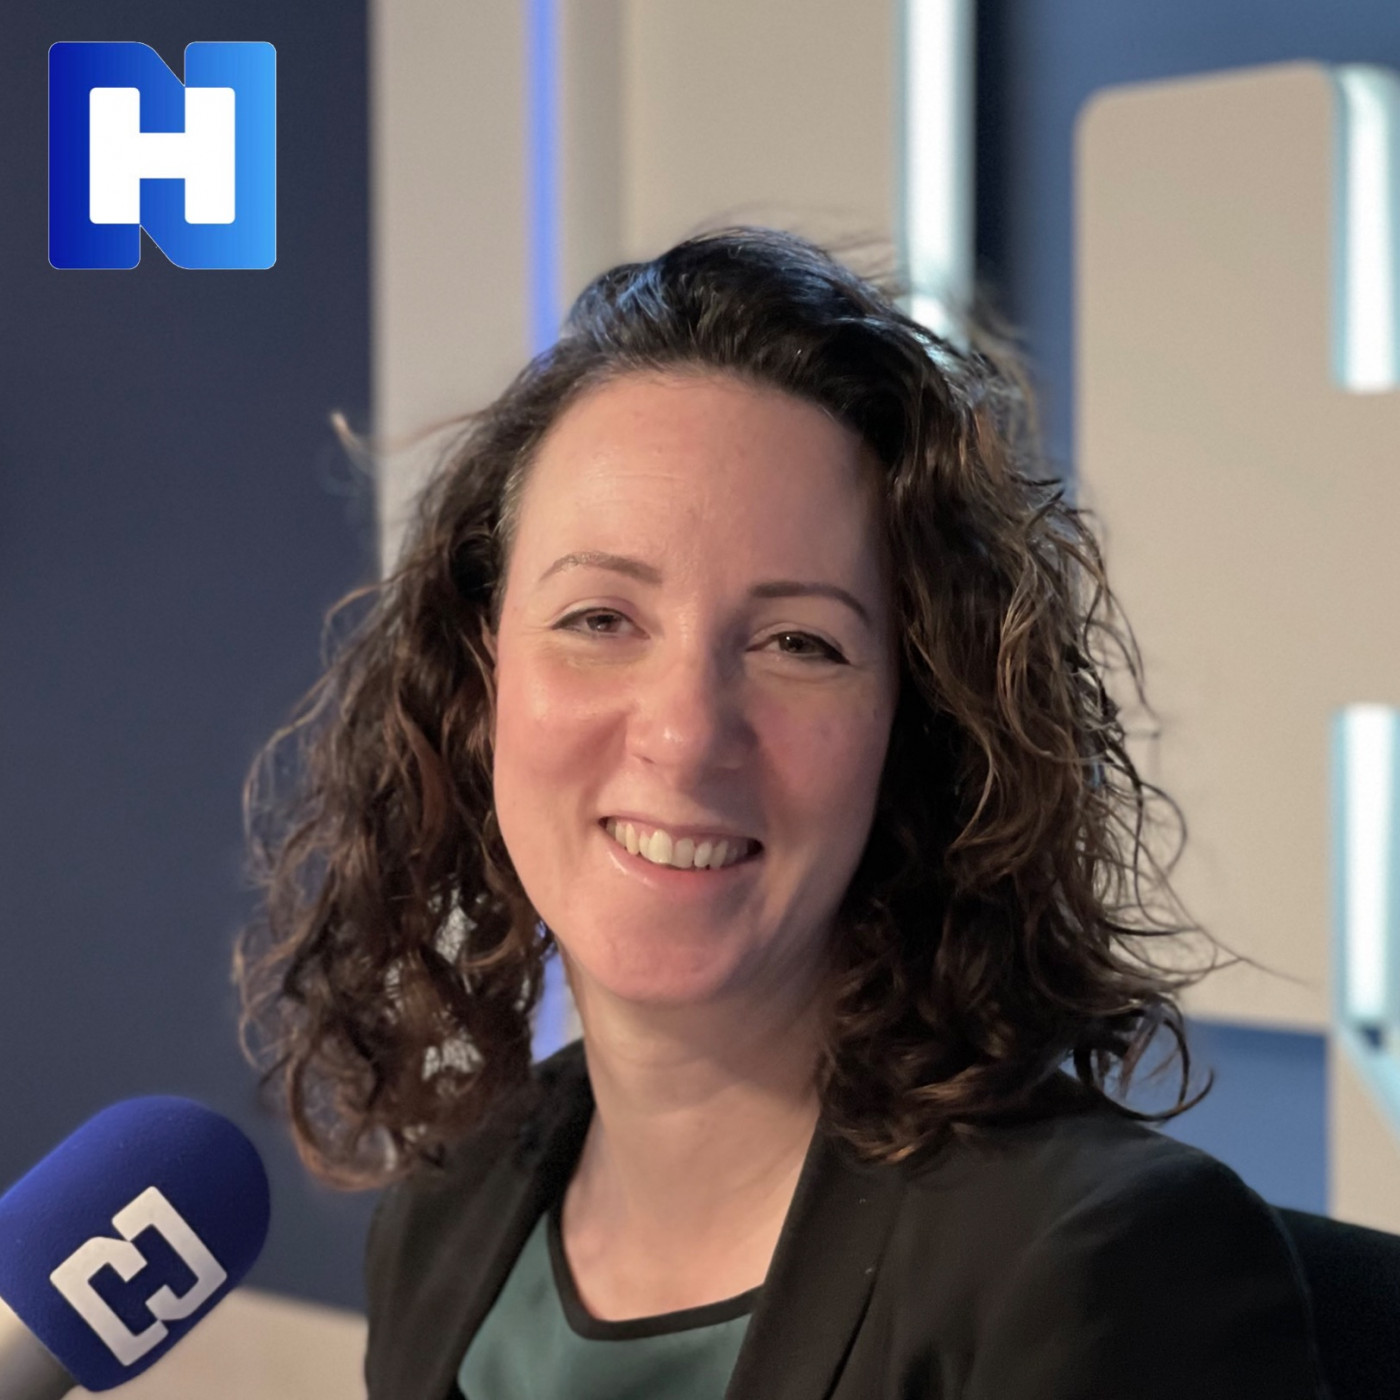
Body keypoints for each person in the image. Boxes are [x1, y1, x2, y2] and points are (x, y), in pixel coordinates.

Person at [233, 226, 1329, 1399]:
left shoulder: (1106, 1269)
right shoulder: (446, 1214)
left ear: (919, 730)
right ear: (475, 679)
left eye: (798, 642)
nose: (683, 729)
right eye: (599, 619)